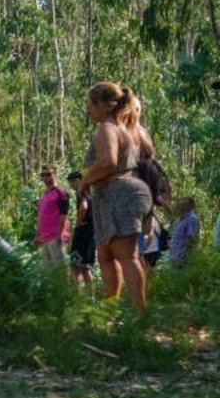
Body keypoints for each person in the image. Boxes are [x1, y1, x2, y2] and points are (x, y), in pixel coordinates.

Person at [77, 82, 153, 313]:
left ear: (104, 105)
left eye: (90, 105)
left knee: (127, 256)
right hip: (113, 196)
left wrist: (85, 180)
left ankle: (139, 315)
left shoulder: (107, 128)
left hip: (119, 194)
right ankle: (109, 314)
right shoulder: (126, 127)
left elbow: (108, 162)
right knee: (106, 256)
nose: (88, 110)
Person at [34, 165, 71, 262]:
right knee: (47, 271)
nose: (45, 177)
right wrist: (37, 235)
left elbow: (63, 215)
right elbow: (41, 217)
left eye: (48, 174)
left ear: (55, 175)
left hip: (56, 238)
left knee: (60, 269)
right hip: (44, 239)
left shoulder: (60, 193)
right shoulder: (43, 195)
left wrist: (59, 235)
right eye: (43, 175)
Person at [67, 171, 96, 287]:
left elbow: (84, 206)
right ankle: (90, 295)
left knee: (74, 266)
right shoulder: (90, 193)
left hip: (82, 234)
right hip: (91, 234)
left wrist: (78, 222)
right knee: (85, 267)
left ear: (79, 180)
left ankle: (77, 294)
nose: (71, 185)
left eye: (72, 182)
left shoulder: (81, 192)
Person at [170, 197, 200, 265]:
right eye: (181, 203)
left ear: (191, 206)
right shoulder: (180, 220)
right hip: (175, 257)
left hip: (183, 259)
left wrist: (184, 256)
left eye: (185, 204)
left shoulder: (191, 219)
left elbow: (191, 239)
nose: (181, 205)